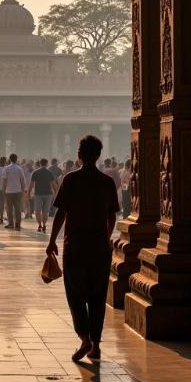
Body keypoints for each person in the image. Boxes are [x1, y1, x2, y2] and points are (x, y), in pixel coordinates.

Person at [47, 135, 120, 362]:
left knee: (75, 294)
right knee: (98, 296)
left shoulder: (70, 180)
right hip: (99, 248)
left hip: (75, 246)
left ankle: (84, 337)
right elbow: (112, 216)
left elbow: (61, 213)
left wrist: (51, 241)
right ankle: (95, 345)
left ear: (79, 156)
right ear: (98, 155)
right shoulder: (106, 182)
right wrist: (105, 238)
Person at [29, 158, 58, 233]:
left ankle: (39, 225)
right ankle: (44, 224)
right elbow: (53, 184)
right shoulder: (49, 172)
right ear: (47, 163)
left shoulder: (35, 172)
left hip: (38, 193)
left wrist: (28, 193)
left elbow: (31, 184)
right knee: (45, 211)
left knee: (37, 211)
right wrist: (56, 193)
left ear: (40, 163)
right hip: (48, 194)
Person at [2, 154, 26, 230]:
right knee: (17, 208)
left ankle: (11, 224)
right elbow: (22, 180)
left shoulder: (6, 168)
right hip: (18, 191)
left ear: (10, 159)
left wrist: (3, 190)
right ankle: (18, 224)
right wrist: (23, 189)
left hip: (8, 191)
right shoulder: (19, 169)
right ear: (16, 159)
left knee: (9, 208)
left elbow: (4, 180)